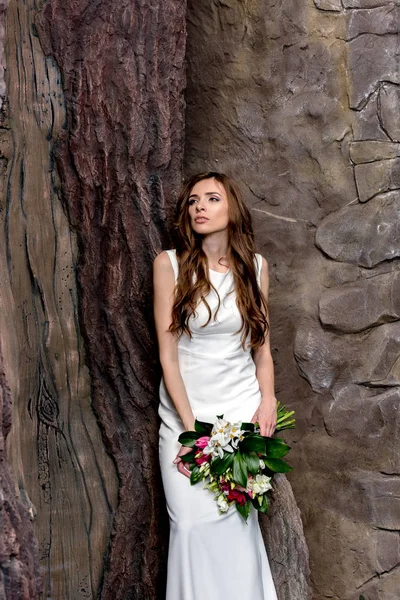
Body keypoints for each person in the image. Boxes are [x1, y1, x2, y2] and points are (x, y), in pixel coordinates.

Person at [153, 171, 278, 600]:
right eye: (192, 201)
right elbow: (168, 358)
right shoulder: (169, 265)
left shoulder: (256, 267)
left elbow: (262, 350)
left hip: (240, 416)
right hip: (186, 415)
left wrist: (269, 402)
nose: (199, 207)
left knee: (235, 526)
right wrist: (191, 433)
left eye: (211, 199)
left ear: (232, 210)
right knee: (189, 524)